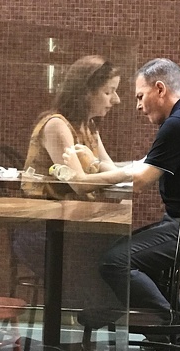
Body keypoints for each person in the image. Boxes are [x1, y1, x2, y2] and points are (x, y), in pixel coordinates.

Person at [64, 58, 180, 351]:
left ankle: (176, 333)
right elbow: (139, 167)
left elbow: (139, 180)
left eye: (140, 96)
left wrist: (82, 179)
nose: (137, 105)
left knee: (115, 261)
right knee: (131, 256)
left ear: (160, 89)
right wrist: (95, 165)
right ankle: (177, 330)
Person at [14, 55, 122, 275]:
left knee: (123, 249)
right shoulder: (56, 125)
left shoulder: (88, 126)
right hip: (45, 230)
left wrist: (97, 164)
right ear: (85, 92)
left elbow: (109, 168)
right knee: (116, 255)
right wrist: (130, 173)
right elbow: (79, 184)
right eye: (108, 92)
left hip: (72, 223)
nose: (116, 100)